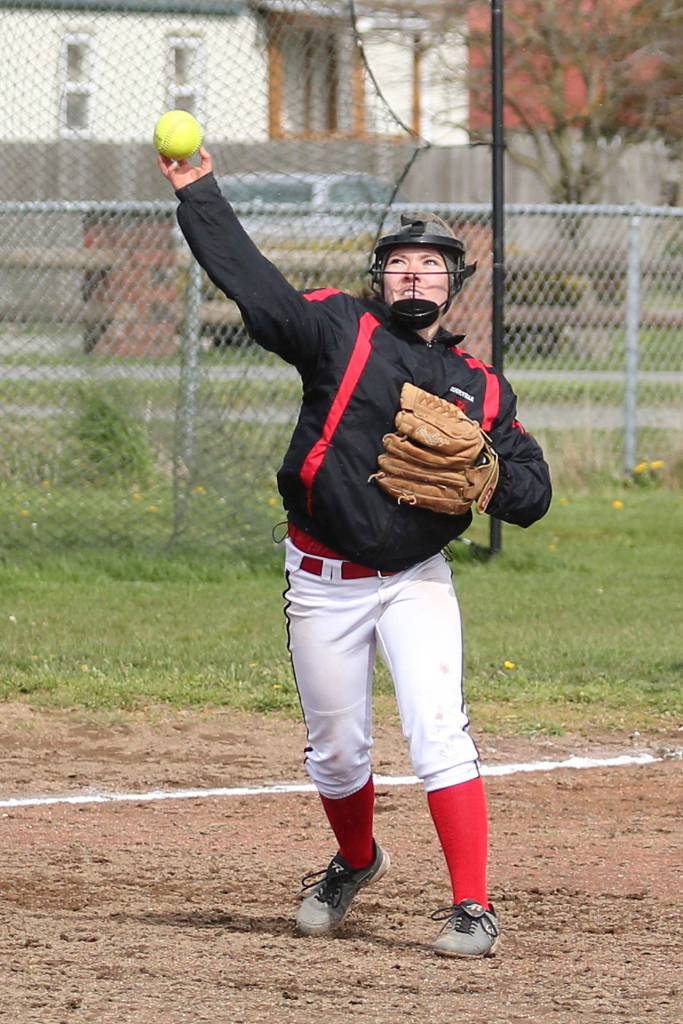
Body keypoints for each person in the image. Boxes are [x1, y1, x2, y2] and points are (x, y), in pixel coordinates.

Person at [158, 148, 552, 958]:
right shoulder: (340, 328)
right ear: (380, 279)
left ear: (454, 283)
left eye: (431, 267)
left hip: (414, 580)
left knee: (437, 726)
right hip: (322, 575)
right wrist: (197, 191)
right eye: (399, 265)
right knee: (337, 750)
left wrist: (488, 475)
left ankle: (471, 906)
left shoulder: (479, 386)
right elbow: (257, 290)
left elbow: (534, 491)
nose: (414, 277)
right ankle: (356, 860)